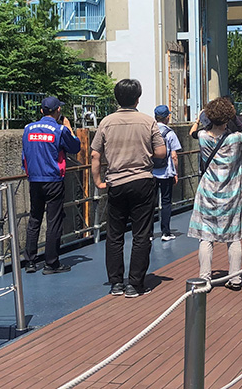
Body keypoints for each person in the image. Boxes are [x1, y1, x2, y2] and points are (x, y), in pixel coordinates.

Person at [91, 79, 166, 298]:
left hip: (116, 182)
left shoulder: (106, 122)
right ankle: (135, 284)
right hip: (142, 181)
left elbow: (95, 154)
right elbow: (161, 152)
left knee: (114, 235)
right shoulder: (147, 121)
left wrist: (98, 182)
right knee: (141, 234)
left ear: (117, 98)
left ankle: (116, 283)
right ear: (137, 98)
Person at [188, 97, 242, 289]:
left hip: (208, 191)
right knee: (234, 237)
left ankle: (204, 278)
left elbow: (194, 132)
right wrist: (234, 116)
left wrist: (200, 118)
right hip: (232, 192)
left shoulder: (203, 137)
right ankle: (235, 278)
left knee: (206, 237)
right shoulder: (236, 139)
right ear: (228, 117)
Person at [22, 96, 82, 274]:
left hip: (34, 179)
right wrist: (70, 128)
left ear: (41, 111)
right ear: (58, 111)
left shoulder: (28, 129)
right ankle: (51, 263)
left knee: (34, 219)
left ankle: (30, 262)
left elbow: (25, 153)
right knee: (53, 221)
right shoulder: (60, 130)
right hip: (53, 179)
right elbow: (75, 147)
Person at [153, 105, 182, 242]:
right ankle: (166, 232)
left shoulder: (149, 131)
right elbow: (174, 155)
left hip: (150, 173)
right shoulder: (169, 133)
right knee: (166, 202)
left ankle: (148, 234)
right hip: (166, 172)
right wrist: (176, 173)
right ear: (167, 117)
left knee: (149, 204)